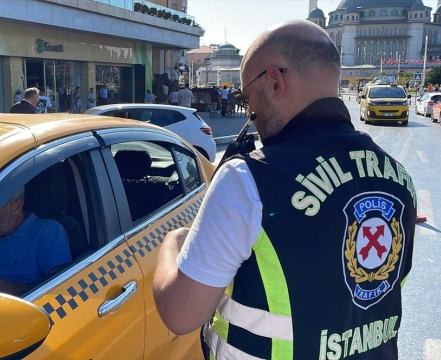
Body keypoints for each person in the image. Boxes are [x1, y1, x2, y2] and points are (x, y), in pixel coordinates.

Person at [152, 20, 416, 359]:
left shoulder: (248, 179)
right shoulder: (400, 178)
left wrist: (172, 242)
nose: (251, 114)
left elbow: (180, 314)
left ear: (274, 81)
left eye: (249, 98)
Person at [0, 187, 72, 297]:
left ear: (16, 207)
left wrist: (5, 288)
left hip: (26, 314)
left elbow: (62, 292)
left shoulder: (47, 233)